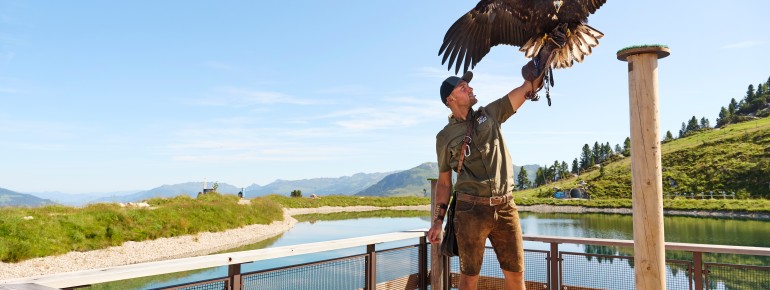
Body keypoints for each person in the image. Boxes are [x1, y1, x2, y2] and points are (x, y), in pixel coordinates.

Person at [427, 64, 543, 290]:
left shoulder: (491, 113)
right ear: (451, 99)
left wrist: (543, 63)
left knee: (516, 275)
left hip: (506, 207)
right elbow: (444, 182)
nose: (470, 88)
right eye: (463, 87)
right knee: (469, 279)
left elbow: (527, 88)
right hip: (470, 211)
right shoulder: (444, 137)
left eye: (468, 84)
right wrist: (438, 221)